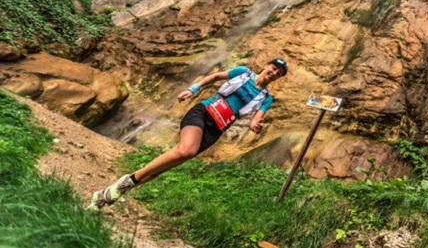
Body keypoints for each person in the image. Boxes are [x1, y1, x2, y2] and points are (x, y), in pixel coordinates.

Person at [87, 58, 288, 210]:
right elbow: (216, 77)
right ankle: (126, 182)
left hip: (217, 129)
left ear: (277, 78)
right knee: (186, 150)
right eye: (273, 68)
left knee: (168, 164)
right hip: (203, 112)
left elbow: (256, 117)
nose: (273, 72)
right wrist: (192, 90)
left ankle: (107, 195)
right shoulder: (243, 72)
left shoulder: (265, 98)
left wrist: (255, 125)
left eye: (277, 73)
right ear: (266, 66)